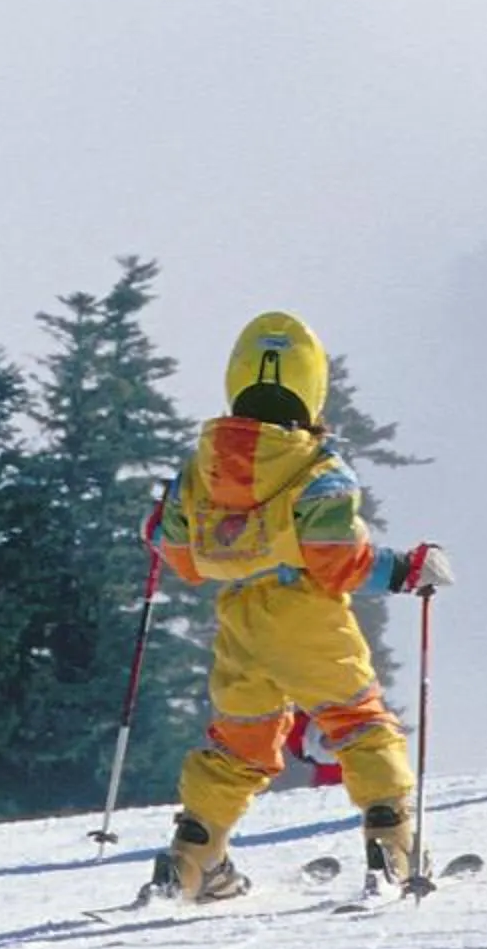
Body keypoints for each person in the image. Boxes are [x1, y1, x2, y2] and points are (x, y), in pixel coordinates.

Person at [145, 311, 455, 902]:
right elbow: (338, 561)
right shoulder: (317, 470)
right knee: (358, 721)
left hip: (239, 620)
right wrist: (407, 569)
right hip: (307, 614)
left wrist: (156, 530)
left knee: (240, 741)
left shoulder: (201, 469)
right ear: (313, 388)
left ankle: (192, 857)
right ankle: (390, 844)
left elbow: (181, 557)